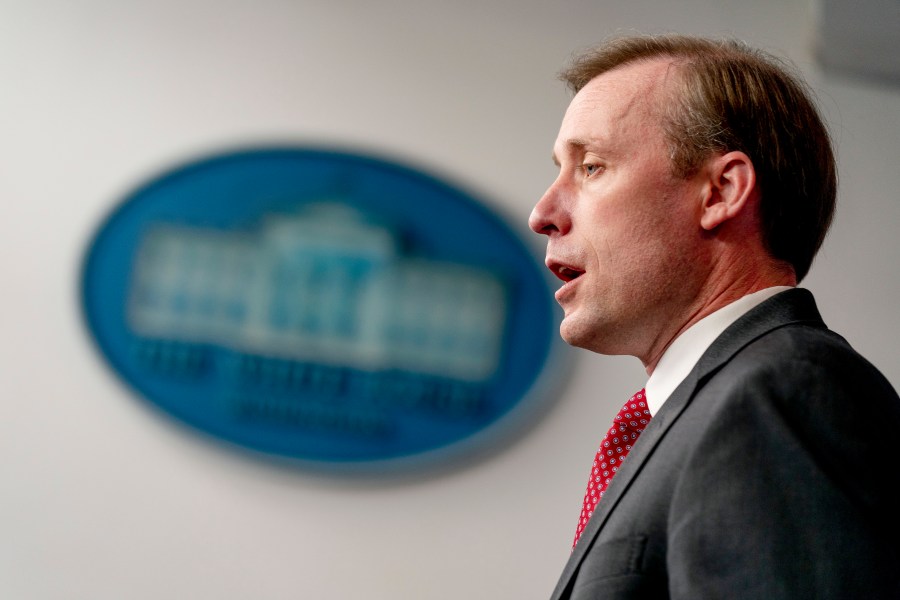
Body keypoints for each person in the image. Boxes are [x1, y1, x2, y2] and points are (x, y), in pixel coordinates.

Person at [528, 34, 900, 599]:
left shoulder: (784, 392)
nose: (543, 213)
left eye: (593, 167)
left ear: (720, 191)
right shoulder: (715, 406)